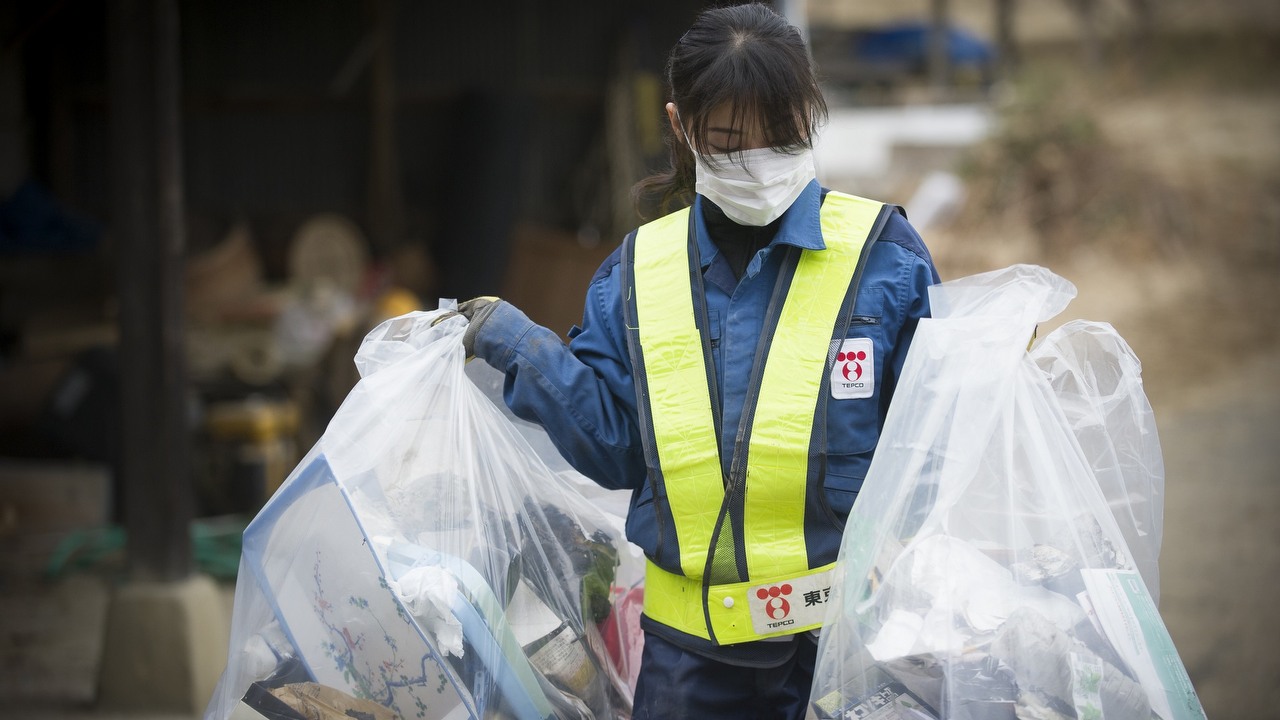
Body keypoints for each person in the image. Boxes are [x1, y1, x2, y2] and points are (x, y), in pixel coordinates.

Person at [452, 4, 940, 718]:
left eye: (784, 135)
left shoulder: (883, 261)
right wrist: (516, 340)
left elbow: (932, 451)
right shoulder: (638, 275)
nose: (763, 160)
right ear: (681, 129)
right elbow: (616, 448)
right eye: (731, 141)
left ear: (810, 118)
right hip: (686, 668)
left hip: (839, 658)